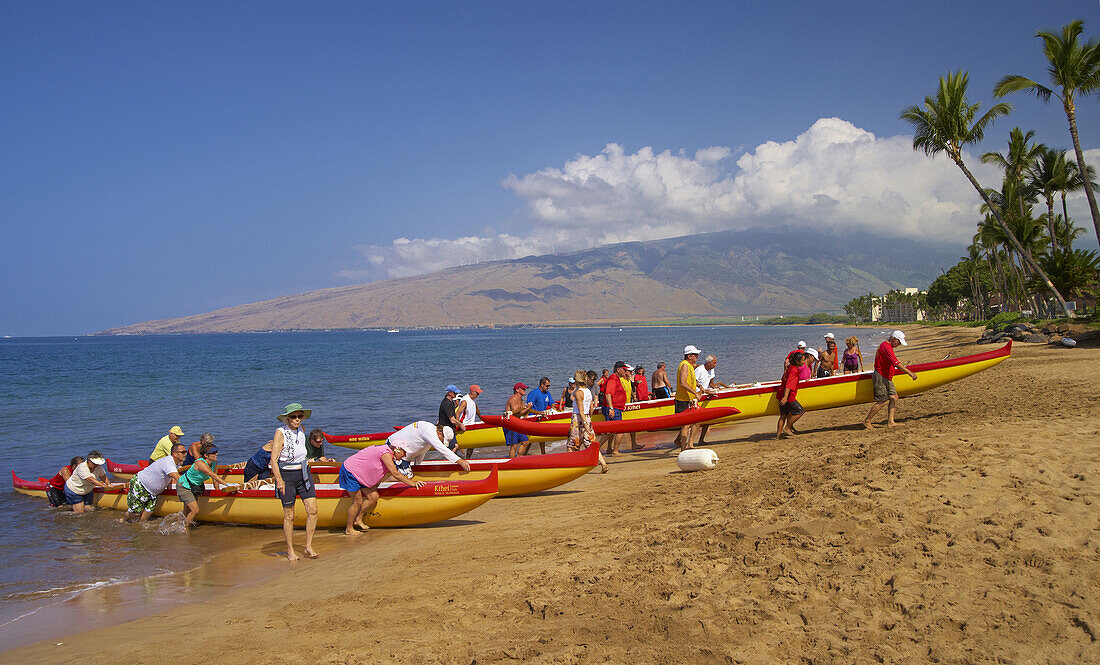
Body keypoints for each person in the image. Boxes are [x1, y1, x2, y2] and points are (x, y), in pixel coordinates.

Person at [339, 442, 424, 535]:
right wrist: (412, 483)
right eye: (404, 452)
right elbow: (395, 474)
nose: (405, 455)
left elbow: (382, 474)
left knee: (373, 497)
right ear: (397, 449)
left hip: (361, 474)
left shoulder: (390, 455)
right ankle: (349, 529)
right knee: (357, 502)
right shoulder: (386, 454)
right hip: (351, 471)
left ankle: (358, 519)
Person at [270, 403, 320, 561]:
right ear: (286, 418)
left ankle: (308, 546)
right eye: (293, 417)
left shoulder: (302, 430)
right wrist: (279, 481)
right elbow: (273, 459)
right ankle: (290, 550)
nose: (297, 419)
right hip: (287, 475)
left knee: (312, 510)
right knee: (289, 515)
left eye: (299, 416)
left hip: (303, 473)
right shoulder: (280, 433)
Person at [862, 331, 918, 429]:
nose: (899, 345)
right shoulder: (885, 346)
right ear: (893, 339)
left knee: (894, 397)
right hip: (880, 376)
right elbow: (896, 363)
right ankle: (867, 421)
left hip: (887, 377)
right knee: (883, 400)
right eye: (899, 342)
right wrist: (909, 372)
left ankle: (891, 422)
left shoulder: (889, 347)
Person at [176, 442, 235, 528]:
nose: (216, 454)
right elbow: (213, 475)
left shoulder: (214, 464)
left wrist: (218, 492)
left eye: (216, 452)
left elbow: (215, 479)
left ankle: (179, 525)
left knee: (187, 511)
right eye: (213, 453)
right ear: (206, 456)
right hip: (184, 486)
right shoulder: (200, 463)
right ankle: (185, 529)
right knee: (195, 510)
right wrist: (227, 484)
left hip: (195, 486)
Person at [125, 443, 187, 522]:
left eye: (186, 452)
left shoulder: (177, 463)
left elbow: (170, 478)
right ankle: (123, 521)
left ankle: (139, 528)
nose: (185, 454)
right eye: (183, 452)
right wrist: (191, 486)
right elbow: (177, 477)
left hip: (153, 492)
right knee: (135, 513)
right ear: (175, 454)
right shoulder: (168, 462)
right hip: (141, 484)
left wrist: (170, 490)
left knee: (148, 512)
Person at [387, 421, 472, 472]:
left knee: (407, 475)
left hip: (404, 457)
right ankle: (382, 486)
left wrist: (418, 467)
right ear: (440, 433)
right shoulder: (429, 432)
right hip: (394, 448)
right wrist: (460, 461)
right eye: (442, 440)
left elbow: (422, 450)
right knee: (405, 476)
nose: (441, 442)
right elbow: (442, 450)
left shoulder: (430, 434)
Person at [567, 369, 607, 472]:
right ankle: (604, 464)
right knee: (591, 442)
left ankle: (573, 466)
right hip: (587, 417)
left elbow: (580, 410)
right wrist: (588, 420)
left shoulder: (578, 393)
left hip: (578, 418)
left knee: (573, 444)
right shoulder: (588, 391)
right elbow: (591, 408)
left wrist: (584, 423)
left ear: (576, 380)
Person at [694, 355, 728, 445]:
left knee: (707, 420)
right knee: (696, 421)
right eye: (714, 363)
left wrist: (715, 388)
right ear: (708, 363)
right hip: (697, 397)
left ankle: (701, 440)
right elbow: (693, 381)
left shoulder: (710, 371)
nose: (716, 365)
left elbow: (710, 383)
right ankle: (683, 441)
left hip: (704, 396)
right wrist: (701, 388)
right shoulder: (700, 370)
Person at [673, 345, 702, 451]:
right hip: (682, 399)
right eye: (695, 355)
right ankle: (683, 448)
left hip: (689, 399)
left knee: (696, 421)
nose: (697, 356)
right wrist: (695, 393)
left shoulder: (690, 365)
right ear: (689, 356)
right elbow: (683, 383)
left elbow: (692, 380)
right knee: (685, 425)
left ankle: (690, 444)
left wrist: (700, 387)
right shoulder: (685, 365)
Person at [602, 361, 632, 455]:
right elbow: (608, 394)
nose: (625, 371)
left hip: (616, 407)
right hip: (613, 408)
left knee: (611, 430)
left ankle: (609, 449)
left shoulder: (616, 378)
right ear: (618, 370)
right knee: (619, 430)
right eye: (624, 369)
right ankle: (614, 450)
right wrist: (611, 408)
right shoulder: (613, 379)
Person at [776, 352, 807, 439]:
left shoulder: (789, 367)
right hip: (788, 396)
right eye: (803, 360)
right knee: (800, 411)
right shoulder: (794, 370)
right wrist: (785, 397)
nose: (804, 362)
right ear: (797, 361)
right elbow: (789, 385)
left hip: (781, 394)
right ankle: (788, 427)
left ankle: (778, 435)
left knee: (783, 415)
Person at [526, 377, 555, 454]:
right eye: (547, 386)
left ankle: (543, 453)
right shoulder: (534, 393)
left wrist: (553, 407)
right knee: (530, 439)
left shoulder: (547, 393)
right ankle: (522, 454)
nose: (548, 388)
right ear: (542, 385)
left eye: (549, 386)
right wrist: (539, 413)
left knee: (542, 436)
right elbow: (528, 409)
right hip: (532, 418)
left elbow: (552, 403)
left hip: (542, 418)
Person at [504, 383, 534, 458]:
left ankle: (518, 458)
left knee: (525, 442)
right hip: (511, 424)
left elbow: (523, 414)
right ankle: (511, 462)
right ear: (517, 390)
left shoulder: (520, 399)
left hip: (517, 423)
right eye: (523, 389)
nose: (525, 390)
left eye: (525, 389)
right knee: (514, 445)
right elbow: (516, 413)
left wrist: (528, 409)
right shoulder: (513, 398)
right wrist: (528, 408)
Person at [454, 384, 483, 460]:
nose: (478, 395)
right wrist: (458, 425)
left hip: (471, 426)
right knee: (458, 446)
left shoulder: (473, 402)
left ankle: (468, 459)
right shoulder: (465, 400)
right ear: (472, 392)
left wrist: (482, 418)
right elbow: (457, 413)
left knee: (472, 445)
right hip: (464, 426)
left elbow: (477, 410)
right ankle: (455, 459)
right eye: (477, 393)